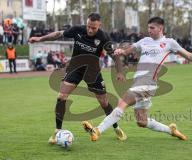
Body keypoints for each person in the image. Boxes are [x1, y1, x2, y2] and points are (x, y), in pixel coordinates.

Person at [82, 16, 192, 141]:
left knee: (121, 103)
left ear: (161, 28)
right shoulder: (145, 41)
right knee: (142, 121)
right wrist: (122, 51)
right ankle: (171, 130)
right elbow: (132, 48)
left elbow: (189, 56)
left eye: (152, 28)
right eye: (148, 28)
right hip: (140, 83)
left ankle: (97, 130)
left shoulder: (169, 43)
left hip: (147, 84)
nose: (149, 30)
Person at [28, 13, 127, 143]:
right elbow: (58, 34)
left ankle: (116, 127)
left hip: (92, 71)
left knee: (103, 102)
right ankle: (57, 132)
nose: (90, 30)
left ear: (99, 26)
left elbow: (114, 55)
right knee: (61, 97)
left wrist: (119, 72)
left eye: (94, 28)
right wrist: (40, 39)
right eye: (89, 26)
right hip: (75, 69)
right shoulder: (77, 30)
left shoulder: (103, 37)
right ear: (86, 23)